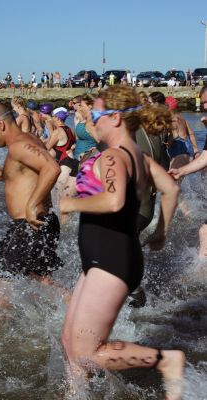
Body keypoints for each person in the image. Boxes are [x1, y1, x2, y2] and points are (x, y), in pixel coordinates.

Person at [59, 85, 184, 400]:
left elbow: (113, 201)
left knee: (87, 353)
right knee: (70, 344)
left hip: (111, 259)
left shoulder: (115, 155)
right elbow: (170, 187)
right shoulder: (137, 156)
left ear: (114, 118)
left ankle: (166, 360)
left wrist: (71, 204)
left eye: (96, 116)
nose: (92, 122)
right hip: (106, 257)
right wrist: (161, 232)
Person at [0, 103, 66, 327]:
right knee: (40, 281)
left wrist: (32, 203)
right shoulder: (24, 141)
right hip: (35, 223)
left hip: (30, 224)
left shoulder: (19, 144)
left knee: (2, 288)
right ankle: (79, 314)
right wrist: (4, 175)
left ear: (0, 124)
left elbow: (52, 168)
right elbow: (33, 173)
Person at [169, 84, 207, 269]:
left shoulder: (172, 120)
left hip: (179, 152)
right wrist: (196, 154)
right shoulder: (184, 118)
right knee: (204, 231)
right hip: (187, 152)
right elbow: (194, 138)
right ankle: (200, 268)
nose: (204, 106)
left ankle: (186, 213)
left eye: (206, 101)